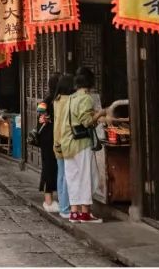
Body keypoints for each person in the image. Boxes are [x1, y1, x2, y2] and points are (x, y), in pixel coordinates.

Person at [60, 67, 106, 223]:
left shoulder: (71, 98)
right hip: (81, 144)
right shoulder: (86, 98)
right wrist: (101, 113)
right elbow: (87, 121)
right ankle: (85, 213)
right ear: (90, 82)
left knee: (73, 177)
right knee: (87, 176)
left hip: (67, 143)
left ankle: (74, 212)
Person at [51, 72, 75, 219]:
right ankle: (66, 208)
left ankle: (62, 205)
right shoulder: (69, 101)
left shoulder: (57, 99)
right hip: (66, 140)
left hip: (57, 140)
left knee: (61, 174)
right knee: (67, 175)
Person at [37, 73, 61, 212]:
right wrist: (45, 118)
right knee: (49, 167)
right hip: (49, 137)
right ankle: (48, 200)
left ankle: (51, 199)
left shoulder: (52, 99)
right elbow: (40, 114)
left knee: (53, 167)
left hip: (52, 136)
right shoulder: (48, 100)